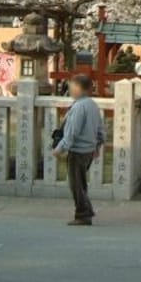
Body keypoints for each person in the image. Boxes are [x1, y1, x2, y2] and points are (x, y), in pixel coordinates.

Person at [52, 74, 106, 226]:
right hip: (88, 150)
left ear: (77, 88)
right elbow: (101, 130)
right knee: (80, 183)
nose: (69, 91)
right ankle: (85, 211)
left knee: (76, 184)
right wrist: (98, 146)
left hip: (78, 151)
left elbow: (72, 132)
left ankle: (83, 214)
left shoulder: (79, 107)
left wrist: (60, 148)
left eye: (70, 87)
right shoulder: (93, 105)